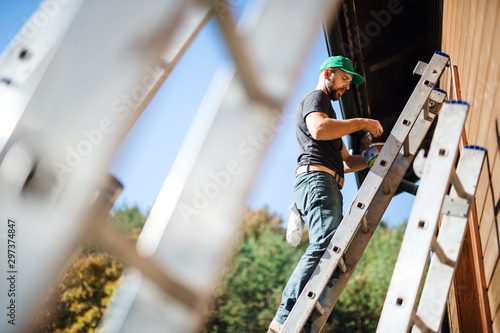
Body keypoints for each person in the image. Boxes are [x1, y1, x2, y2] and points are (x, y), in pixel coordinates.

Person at [267, 56, 383, 333]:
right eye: (344, 79)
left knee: (332, 247)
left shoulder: (330, 119)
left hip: (326, 180)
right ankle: (284, 318)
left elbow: (345, 162)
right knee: (327, 243)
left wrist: (371, 157)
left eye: (349, 83)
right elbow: (318, 129)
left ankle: (299, 318)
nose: (346, 87)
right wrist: (363, 122)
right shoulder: (316, 100)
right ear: (328, 73)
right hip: (317, 180)